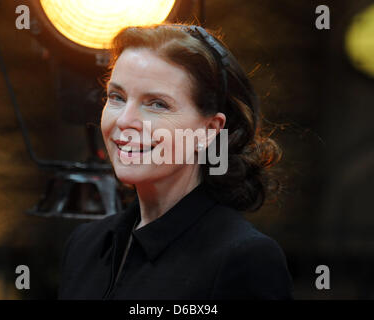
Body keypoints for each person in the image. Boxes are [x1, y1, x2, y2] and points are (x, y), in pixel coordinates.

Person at [58, 23, 294, 300]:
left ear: (209, 130)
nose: (124, 121)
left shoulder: (244, 257)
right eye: (117, 97)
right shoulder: (84, 245)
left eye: (157, 104)